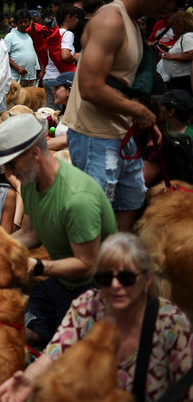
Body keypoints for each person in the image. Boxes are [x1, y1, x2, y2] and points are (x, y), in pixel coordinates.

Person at [0, 233, 193, 402]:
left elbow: (188, 398)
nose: (115, 285)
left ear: (147, 280)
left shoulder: (170, 322)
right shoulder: (88, 305)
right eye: (105, 277)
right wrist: (27, 380)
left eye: (127, 278)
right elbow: (53, 354)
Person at [0, 114, 117, 346]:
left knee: (66, 358)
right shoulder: (30, 182)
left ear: (35, 154)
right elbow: (31, 233)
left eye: (11, 163)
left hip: (97, 289)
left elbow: (89, 265)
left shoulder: (77, 199)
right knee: (15, 332)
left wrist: (38, 266)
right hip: (62, 283)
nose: (8, 171)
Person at [63, 0, 166, 233]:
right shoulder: (110, 21)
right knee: (94, 223)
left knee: (128, 208)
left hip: (123, 134)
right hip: (95, 137)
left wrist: (145, 118)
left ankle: (115, 266)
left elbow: (122, 84)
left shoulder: (131, 24)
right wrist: (138, 111)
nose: (172, 7)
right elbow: (90, 87)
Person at [43, 4, 80, 110]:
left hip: (48, 78)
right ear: (69, 17)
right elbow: (65, 55)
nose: (77, 20)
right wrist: (76, 57)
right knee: (61, 114)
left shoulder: (54, 33)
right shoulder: (68, 34)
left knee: (50, 114)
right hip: (59, 81)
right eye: (76, 17)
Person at [157, 11, 193, 94]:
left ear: (180, 25)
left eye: (173, 25)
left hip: (182, 79)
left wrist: (171, 57)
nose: (171, 28)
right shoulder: (186, 37)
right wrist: (168, 49)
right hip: (180, 77)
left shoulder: (186, 37)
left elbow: (191, 54)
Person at [5, 10, 38, 88]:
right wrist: (17, 68)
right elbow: (5, 55)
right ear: (16, 23)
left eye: (26, 21)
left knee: (31, 100)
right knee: (16, 100)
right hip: (15, 78)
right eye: (20, 22)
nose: (23, 24)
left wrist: (42, 71)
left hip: (31, 77)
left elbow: (40, 53)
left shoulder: (34, 35)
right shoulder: (10, 36)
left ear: (30, 21)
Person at [45, 71, 74, 151]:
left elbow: (68, 139)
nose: (53, 91)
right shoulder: (65, 112)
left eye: (57, 88)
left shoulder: (80, 114)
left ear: (69, 91)